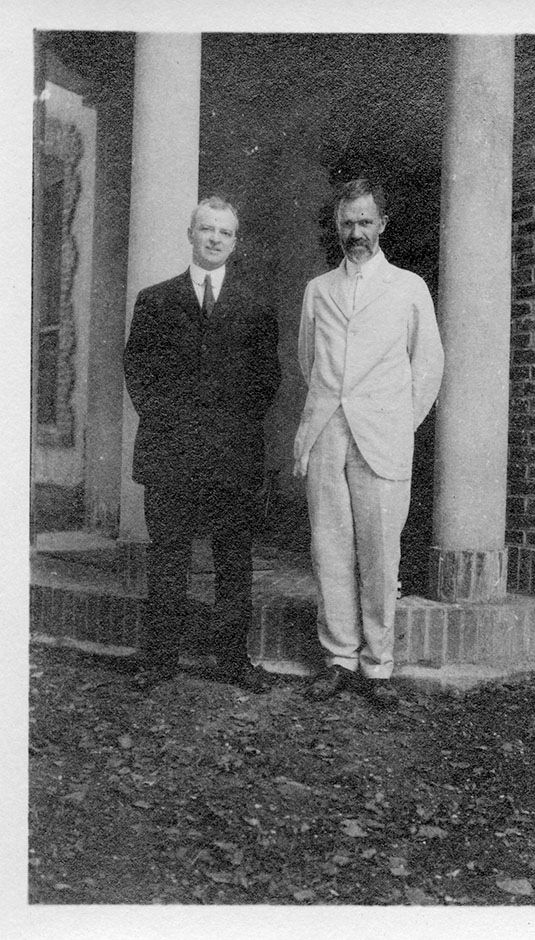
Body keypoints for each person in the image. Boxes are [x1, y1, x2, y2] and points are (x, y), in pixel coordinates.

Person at [293, 178, 444, 707]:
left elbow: (427, 366)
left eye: (365, 222)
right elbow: (308, 361)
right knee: (329, 548)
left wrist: (399, 422)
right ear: (337, 227)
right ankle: (338, 658)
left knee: (381, 552)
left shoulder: (408, 288)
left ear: (383, 224)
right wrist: (327, 410)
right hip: (327, 431)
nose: (356, 233)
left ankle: (378, 666)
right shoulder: (319, 290)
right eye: (346, 223)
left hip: (382, 436)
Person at [124, 195, 280, 691]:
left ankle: (232, 659)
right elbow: (139, 372)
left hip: (232, 455)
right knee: (168, 555)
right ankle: (160, 658)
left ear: (235, 242)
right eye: (207, 229)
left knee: (233, 557)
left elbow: (265, 380)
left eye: (225, 233)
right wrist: (175, 426)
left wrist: (230, 431)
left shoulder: (255, 307)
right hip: (171, 452)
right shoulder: (155, 299)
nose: (215, 239)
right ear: (191, 234)